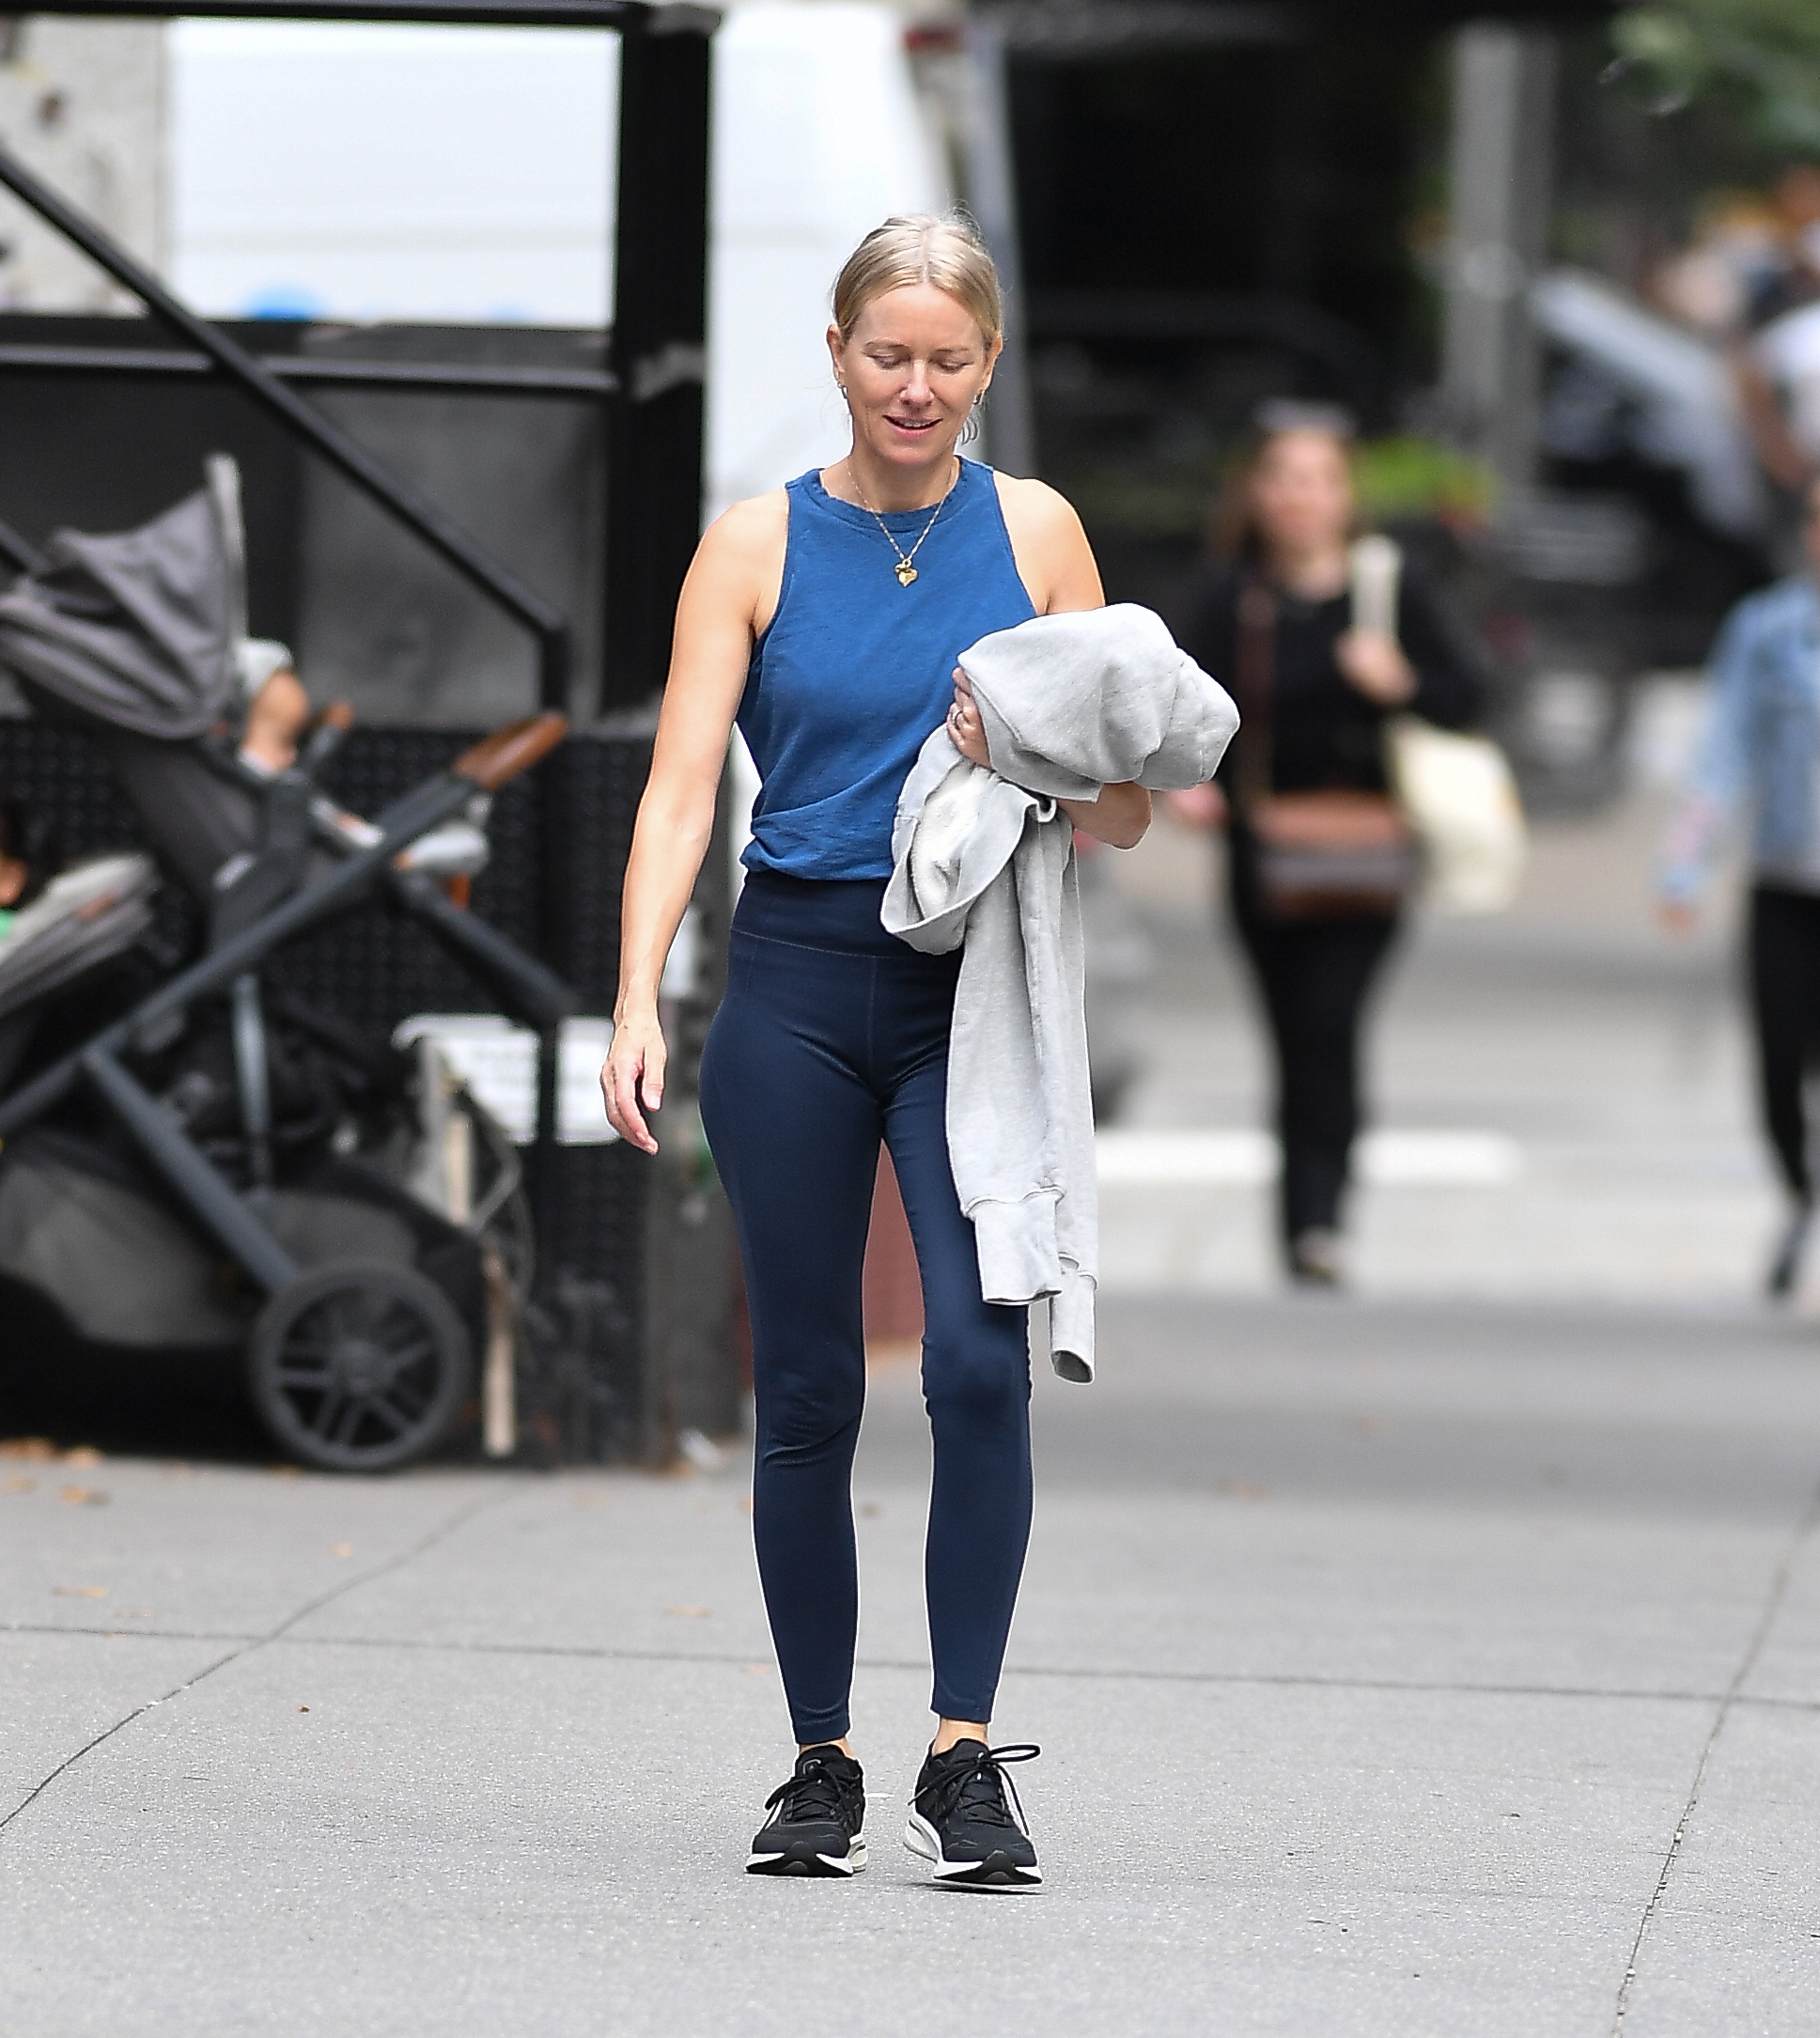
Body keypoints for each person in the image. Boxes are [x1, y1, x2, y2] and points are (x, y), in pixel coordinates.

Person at [601, 212, 1148, 1887]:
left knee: (978, 1364)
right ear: (836, 352)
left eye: (948, 360)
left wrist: (1032, 750)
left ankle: (963, 1751)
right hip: (789, 987)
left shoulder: (1038, 530)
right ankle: (819, 1756)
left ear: (988, 365)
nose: (916, 386)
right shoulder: (753, 542)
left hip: (968, 995)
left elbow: (1128, 808)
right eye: (887, 354)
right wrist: (634, 992)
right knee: (808, 1386)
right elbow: (681, 788)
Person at [1171, 406, 1485, 1285]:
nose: (1296, 497)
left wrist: (1399, 682)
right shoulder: (1230, 596)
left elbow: (1470, 697)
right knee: (1289, 1031)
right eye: (1280, 478)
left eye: (1315, 480)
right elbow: (1170, 701)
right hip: (1262, 851)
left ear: (1346, 495)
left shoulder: (1388, 588)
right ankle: (1303, 1220)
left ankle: (1319, 1220)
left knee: (1329, 1022)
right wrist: (1183, 781)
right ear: (1254, 493)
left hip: (1370, 848)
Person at [1660, 475, 1820, 1299]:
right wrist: (1683, 864)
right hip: (1786, 880)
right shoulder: (1768, 629)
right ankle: (1799, 1188)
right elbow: (1723, 751)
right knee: (1778, 1065)